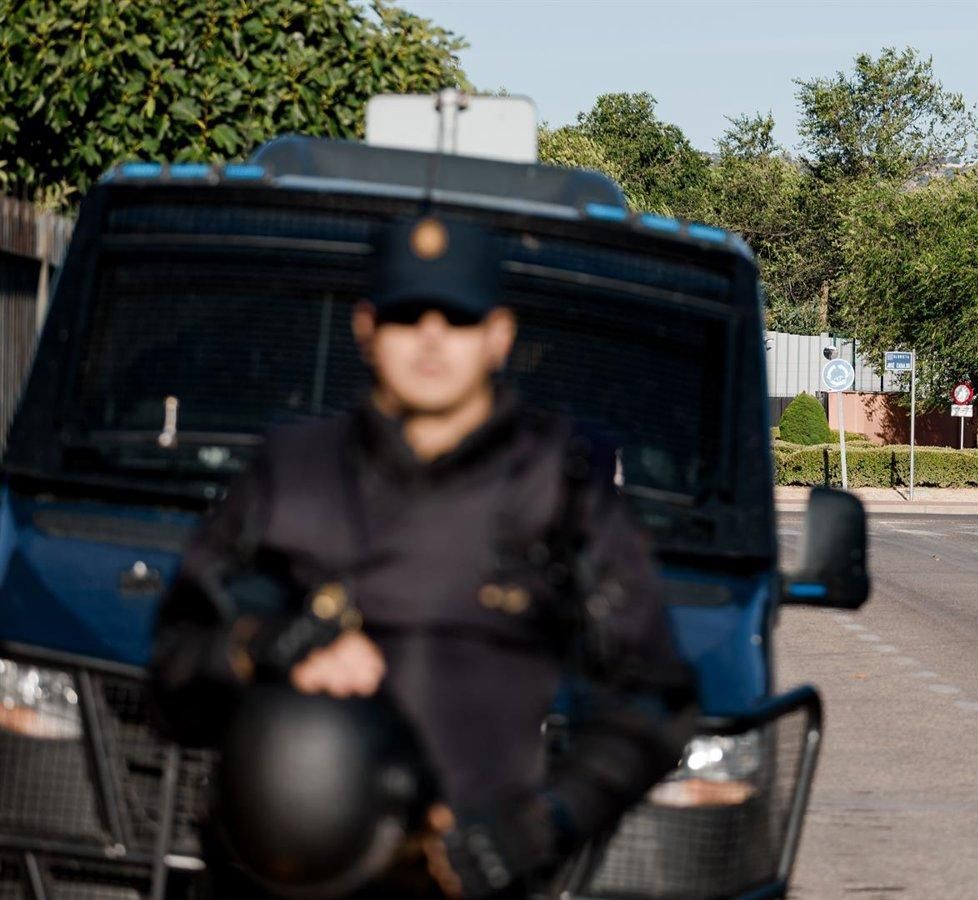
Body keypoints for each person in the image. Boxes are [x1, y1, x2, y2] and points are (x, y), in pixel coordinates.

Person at [150, 214, 699, 898]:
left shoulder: (559, 488)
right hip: (266, 885)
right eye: (407, 315)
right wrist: (251, 645)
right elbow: (170, 676)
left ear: (498, 335)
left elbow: (653, 698)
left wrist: (546, 822)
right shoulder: (288, 473)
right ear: (366, 329)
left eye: (458, 318)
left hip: (463, 884)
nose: (432, 337)